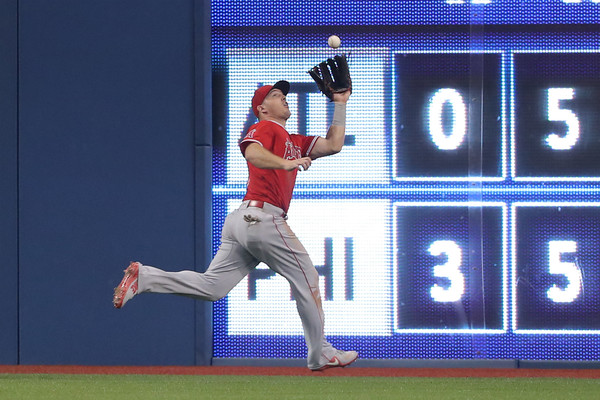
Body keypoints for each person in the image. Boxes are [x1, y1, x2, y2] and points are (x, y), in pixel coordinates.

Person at [113, 80, 357, 371]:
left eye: (283, 96)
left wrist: (340, 104)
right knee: (308, 278)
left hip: (244, 221)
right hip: (262, 218)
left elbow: (334, 145)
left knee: (211, 286)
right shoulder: (266, 128)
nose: (284, 99)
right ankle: (321, 353)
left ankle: (145, 278)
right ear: (262, 108)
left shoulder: (292, 139)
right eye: (277, 96)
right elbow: (252, 153)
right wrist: (285, 163)